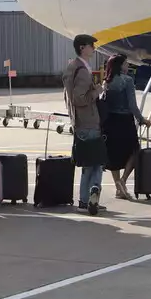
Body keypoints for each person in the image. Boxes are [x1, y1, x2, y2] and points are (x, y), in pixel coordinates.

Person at [64, 34, 104, 214]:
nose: (94, 48)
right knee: (97, 161)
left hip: (80, 122)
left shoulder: (72, 67)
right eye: (91, 45)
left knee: (88, 163)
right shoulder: (81, 71)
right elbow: (79, 98)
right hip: (88, 121)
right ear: (82, 47)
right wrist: (97, 91)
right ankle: (93, 190)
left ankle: (84, 199)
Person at [101, 54, 150, 201]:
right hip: (125, 120)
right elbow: (132, 105)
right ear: (120, 66)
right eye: (126, 63)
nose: (128, 66)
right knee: (135, 151)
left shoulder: (106, 82)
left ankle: (118, 188)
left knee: (114, 155)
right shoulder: (127, 81)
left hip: (110, 121)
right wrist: (142, 120)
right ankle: (123, 180)